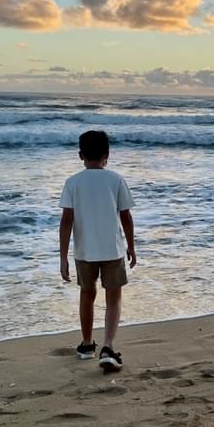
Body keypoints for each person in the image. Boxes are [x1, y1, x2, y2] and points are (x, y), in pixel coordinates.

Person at [59, 130, 136, 372]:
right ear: (107, 155)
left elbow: (66, 221)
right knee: (113, 298)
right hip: (112, 249)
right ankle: (109, 346)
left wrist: (63, 257)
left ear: (80, 155)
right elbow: (126, 216)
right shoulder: (115, 179)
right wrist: (131, 246)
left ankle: (86, 344)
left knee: (87, 295)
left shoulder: (72, 182)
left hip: (84, 251)